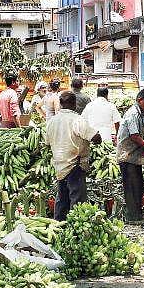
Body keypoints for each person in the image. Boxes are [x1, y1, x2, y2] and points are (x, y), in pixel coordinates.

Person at [46, 91, 102, 221]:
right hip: (74, 165)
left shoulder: (52, 121)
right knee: (77, 200)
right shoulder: (77, 120)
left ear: (60, 104)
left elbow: (48, 142)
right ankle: (75, 227)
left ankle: (59, 226)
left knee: (62, 198)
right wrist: (96, 137)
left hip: (59, 164)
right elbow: (95, 137)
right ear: (74, 104)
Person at [117, 89, 144, 222]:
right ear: (139, 100)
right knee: (131, 187)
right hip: (127, 156)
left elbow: (143, 134)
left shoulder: (140, 114)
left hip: (135, 157)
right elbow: (135, 136)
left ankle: (137, 213)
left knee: (138, 185)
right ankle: (133, 216)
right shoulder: (133, 114)